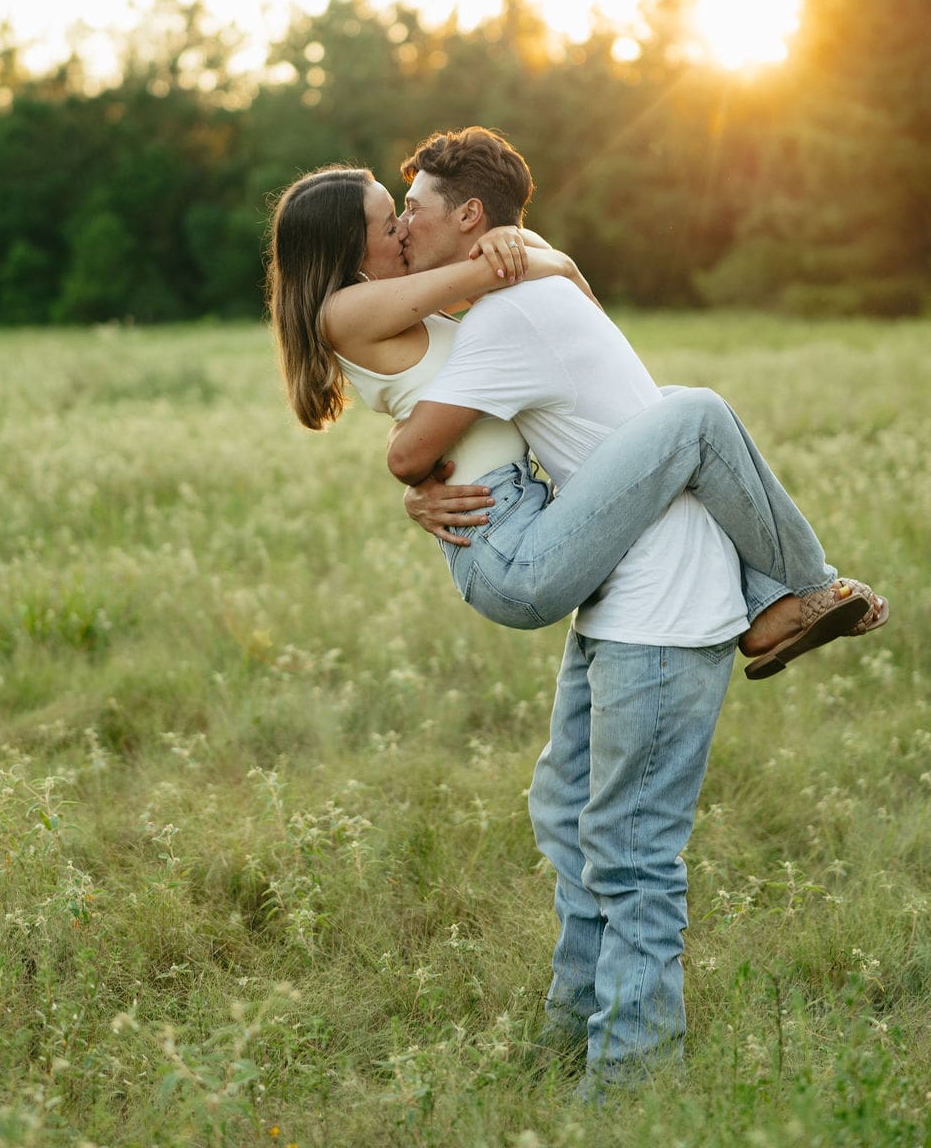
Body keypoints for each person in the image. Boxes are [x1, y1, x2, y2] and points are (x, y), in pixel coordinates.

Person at [265, 132, 888, 1089]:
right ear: (352, 249)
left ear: (468, 216)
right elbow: (412, 442)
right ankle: (797, 590)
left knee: (573, 815)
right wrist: (510, 259)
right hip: (522, 550)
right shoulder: (374, 302)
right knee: (694, 411)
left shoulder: (490, 312)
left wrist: (524, 258)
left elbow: (512, 321)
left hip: (569, 562)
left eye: (412, 213)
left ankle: (594, 1055)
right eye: (390, 222)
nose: (402, 230)